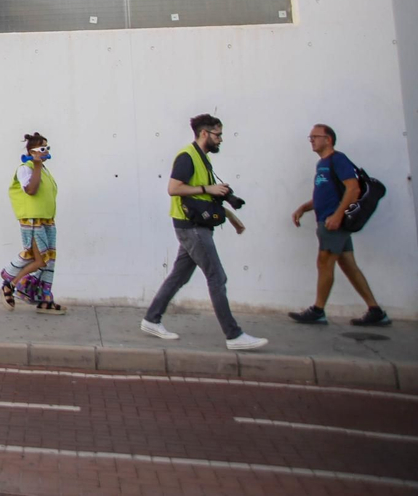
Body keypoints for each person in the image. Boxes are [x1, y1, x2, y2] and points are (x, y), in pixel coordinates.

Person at [141, 114, 267, 350]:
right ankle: (234, 335)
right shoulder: (187, 157)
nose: (220, 139)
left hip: (195, 226)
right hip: (192, 228)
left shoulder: (202, 158)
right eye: (217, 134)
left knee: (179, 276)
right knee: (217, 277)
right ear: (204, 133)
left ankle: (151, 319)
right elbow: (173, 188)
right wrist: (208, 187)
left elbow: (205, 196)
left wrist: (229, 215)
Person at [288, 124, 390, 327]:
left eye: (315, 136)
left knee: (324, 261)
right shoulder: (322, 164)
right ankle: (375, 311)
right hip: (328, 220)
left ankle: (318, 310)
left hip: (333, 223)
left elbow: (353, 189)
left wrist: (337, 215)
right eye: (310, 137)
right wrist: (304, 207)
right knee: (348, 266)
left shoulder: (338, 159)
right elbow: (325, 194)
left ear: (328, 139)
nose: (312, 140)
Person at [0, 133, 65, 314]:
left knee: (48, 261)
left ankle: (45, 300)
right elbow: (31, 189)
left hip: (46, 221)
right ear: (32, 151)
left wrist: (39, 165)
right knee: (39, 259)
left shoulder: (43, 170)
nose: (46, 152)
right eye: (43, 148)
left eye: (47, 148)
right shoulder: (25, 168)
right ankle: (9, 284)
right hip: (33, 221)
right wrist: (36, 164)